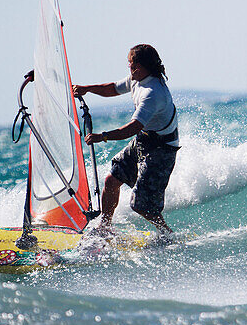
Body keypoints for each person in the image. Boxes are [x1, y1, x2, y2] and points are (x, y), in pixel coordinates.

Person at [73, 44, 179, 235]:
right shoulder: (137, 79)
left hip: (162, 149)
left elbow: (132, 127)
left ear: (138, 66)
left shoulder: (153, 93)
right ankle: (105, 229)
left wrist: (103, 136)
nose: (128, 68)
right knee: (111, 180)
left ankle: (166, 234)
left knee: (141, 205)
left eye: (130, 64)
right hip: (144, 139)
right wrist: (86, 89)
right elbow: (113, 88)